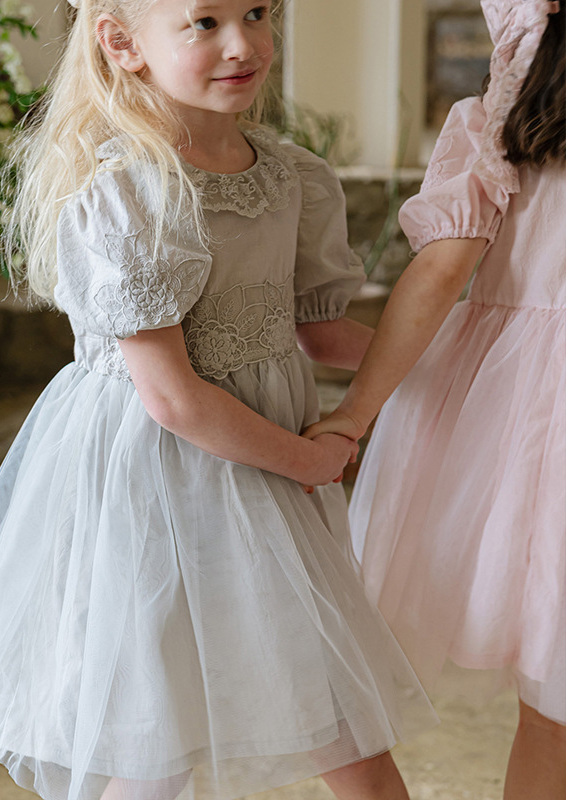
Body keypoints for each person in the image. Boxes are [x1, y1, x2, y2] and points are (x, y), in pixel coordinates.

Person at [0, 1, 438, 799]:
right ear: (123, 42)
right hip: (156, 474)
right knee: (158, 724)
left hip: (267, 466)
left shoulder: (291, 176)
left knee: (330, 697)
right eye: (204, 22)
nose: (243, 44)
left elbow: (321, 333)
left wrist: (452, 358)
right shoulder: (128, 188)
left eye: (256, 12)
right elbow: (173, 398)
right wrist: (309, 460)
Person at [305, 0, 566, 796]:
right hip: (539, 413)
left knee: (552, 720)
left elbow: (441, 271)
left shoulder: (509, 120)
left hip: (532, 414)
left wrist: (357, 412)